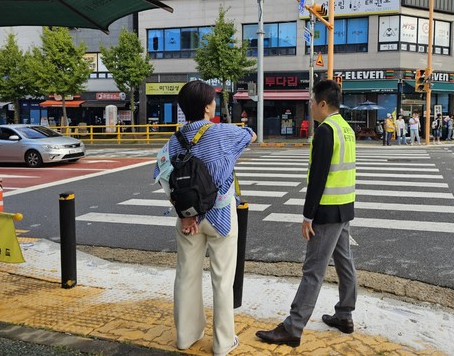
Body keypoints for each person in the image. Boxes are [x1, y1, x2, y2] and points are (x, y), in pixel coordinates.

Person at [153, 80, 256, 356]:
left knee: (186, 275)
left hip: (188, 220)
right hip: (221, 216)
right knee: (222, 280)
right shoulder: (224, 133)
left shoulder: (174, 141)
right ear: (208, 106)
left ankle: (185, 337)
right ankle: (223, 343)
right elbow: (251, 135)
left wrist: (184, 214)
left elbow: (162, 176)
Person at [256, 79, 357, 348]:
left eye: (312, 102)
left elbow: (318, 177)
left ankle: (293, 327)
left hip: (326, 211)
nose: (310, 106)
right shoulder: (346, 128)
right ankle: (345, 315)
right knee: (345, 262)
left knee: (313, 270)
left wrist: (307, 216)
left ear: (323, 104)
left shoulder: (326, 130)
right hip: (345, 207)